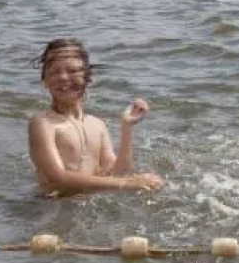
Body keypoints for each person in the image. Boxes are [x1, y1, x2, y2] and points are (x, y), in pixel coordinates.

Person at [27, 38, 164, 194]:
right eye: (54, 72)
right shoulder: (43, 123)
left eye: (72, 71)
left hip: (85, 206)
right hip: (52, 206)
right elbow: (57, 178)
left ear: (88, 78)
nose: (63, 77)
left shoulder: (97, 124)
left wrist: (127, 127)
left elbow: (116, 173)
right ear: (44, 81)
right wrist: (130, 183)